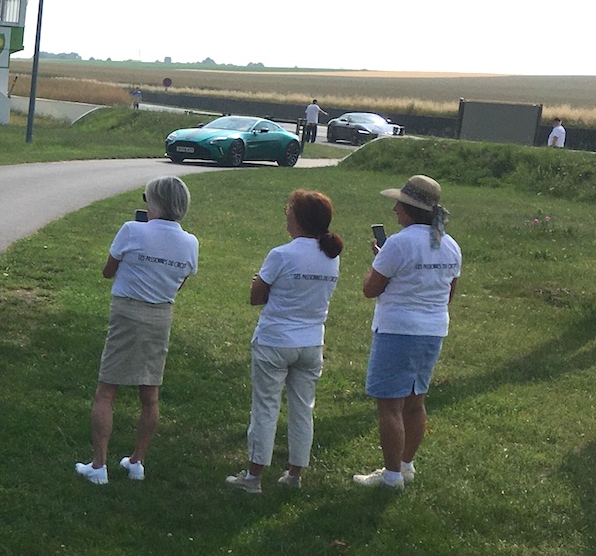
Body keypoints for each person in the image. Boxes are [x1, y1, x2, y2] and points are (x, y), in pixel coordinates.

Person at [77, 175, 198, 484]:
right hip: (161, 315)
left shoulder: (132, 230)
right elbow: (179, 283)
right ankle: (137, 461)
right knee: (150, 394)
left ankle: (99, 465)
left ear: (154, 202)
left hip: (128, 312)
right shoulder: (190, 243)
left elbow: (108, 271)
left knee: (107, 391)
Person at [225, 190, 343, 494]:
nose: (286, 213)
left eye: (290, 209)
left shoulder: (281, 254)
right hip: (311, 342)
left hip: (275, 340)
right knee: (303, 409)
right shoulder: (331, 256)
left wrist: (259, 284)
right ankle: (294, 474)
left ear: (299, 219)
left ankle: (253, 477)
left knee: (265, 407)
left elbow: (256, 297)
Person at [353, 174, 461, 491]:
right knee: (415, 403)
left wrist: (378, 262)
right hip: (433, 331)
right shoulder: (449, 244)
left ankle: (390, 477)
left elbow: (370, 289)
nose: (394, 210)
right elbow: (448, 294)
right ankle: (405, 465)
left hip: (398, 331)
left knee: (390, 407)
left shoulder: (398, 243)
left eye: (398, 204)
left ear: (410, 208)